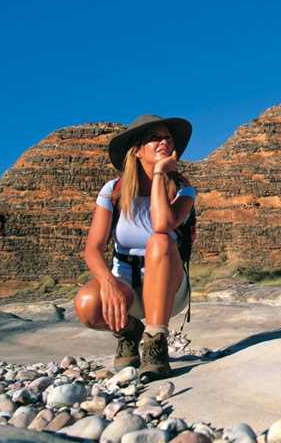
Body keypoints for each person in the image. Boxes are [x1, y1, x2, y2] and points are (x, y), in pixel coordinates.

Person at [74, 114, 196, 381]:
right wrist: (107, 282)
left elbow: (162, 224)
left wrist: (160, 174)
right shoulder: (113, 191)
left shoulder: (183, 190)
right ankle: (129, 332)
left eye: (168, 137)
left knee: (159, 240)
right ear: (137, 150)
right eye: (154, 137)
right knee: (86, 305)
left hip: (168, 290)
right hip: (125, 287)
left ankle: (156, 343)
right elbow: (92, 249)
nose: (164, 141)